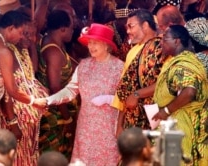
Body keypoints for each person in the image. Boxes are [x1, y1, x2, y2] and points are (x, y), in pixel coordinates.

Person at [45, 23, 124, 165]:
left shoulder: (119, 67)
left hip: (108, 127)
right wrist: (49, 100)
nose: (91, 47)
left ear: (107, 45)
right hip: (86, 127)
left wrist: (110, 99)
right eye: (89, 43)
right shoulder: (84, 65)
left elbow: (127, 98)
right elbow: (70, 91)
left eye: (96, 43)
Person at [0, 10, 47, 139]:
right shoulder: (4, 51)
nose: (22, 37)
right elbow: (12, 90)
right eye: (21, 33)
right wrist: (35, 101)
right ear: (10, 28)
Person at [0, 22, 48, 166]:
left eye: (34, 34)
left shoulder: (23, 51)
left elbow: (33, 70)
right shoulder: (8, 53)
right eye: (26, 34)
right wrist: (13, 123)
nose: (31, 38)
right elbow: (8, 92)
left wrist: (32, 45)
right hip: (15, 121)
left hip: (28, 125)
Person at [152, 25, 208, 166]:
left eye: (165, 39)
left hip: (180, 125)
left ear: (177, 41)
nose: (161, 43)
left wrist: (166, 111)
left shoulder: (182, 64)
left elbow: (189, 91)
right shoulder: (189, 60)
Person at [109, 9, 163, 134]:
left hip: (155, 119)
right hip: (131, 120)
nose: (127, 31)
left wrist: (137, 94)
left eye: (131, 26)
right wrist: (120, 124)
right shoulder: (132, 52)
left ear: (145, 25)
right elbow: (125, 89)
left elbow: (166, 83)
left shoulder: (162, 47)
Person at [36, 10, 78, 159]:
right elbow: (55, 87)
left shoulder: (54, 43)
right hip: (54, 115)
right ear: (62, 29)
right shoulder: (53, 51)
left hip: (57, 111)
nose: (73, 31)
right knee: (53, 156)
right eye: (72, 28)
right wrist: (67, 117)